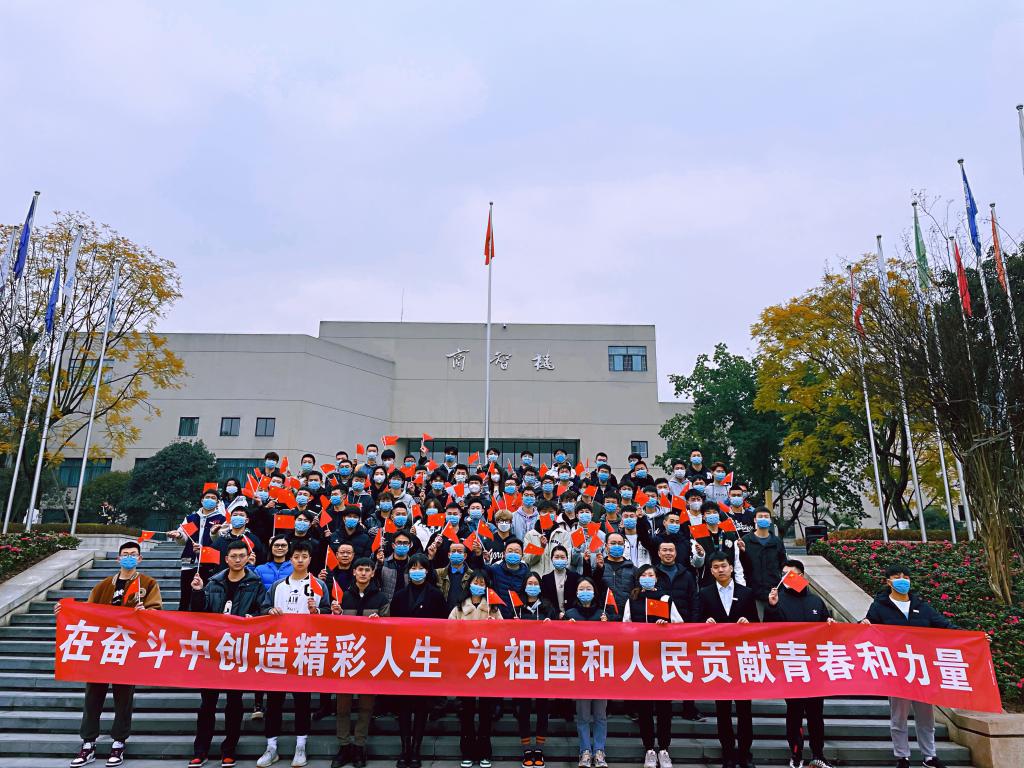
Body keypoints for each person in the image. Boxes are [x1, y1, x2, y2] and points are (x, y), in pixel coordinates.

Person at [63, 541, 162, 768]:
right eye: (125, 554)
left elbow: (157, 611)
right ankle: (88, 743)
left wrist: (146, 612)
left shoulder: (148, 584)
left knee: (124, 698)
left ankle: (119, 742)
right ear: (118, 558)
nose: (129, 557)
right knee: (93, 696)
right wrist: (66, 610)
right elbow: (87, 611)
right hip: (101, 648)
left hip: (128, 647)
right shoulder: (103, 585)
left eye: (133, 554)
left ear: (140, 559)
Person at [861, 563, 957, 768]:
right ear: (888, 581)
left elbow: (946, 627)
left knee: (926, 716)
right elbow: (867, 628)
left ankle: (929, 756)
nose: (902, 580)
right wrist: (864, 624)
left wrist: (975, 638)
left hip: (921, 669)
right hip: (897, 669)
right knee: (899, 716)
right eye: (897, 576)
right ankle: (902, 756)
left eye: (906, 576)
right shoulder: (879, 606)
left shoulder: (922, 606)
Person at [188, 539, 267, 768]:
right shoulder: (213, 582)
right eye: (233, 556)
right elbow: (199, 612)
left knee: (234, 703)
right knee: (207, 704)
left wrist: (254, 618)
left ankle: (229, 749)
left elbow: (262, 610)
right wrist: (197, 592)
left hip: (239, 650)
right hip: (214, 650)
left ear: (248, 558)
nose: (238, 560)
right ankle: (200, 750)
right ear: (226, 559)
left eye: (242, 556)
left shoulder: (256, 584)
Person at [257, 539, 331, 768]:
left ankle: (301, 745)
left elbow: (328, 613)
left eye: (304, 557)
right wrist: (270, 610)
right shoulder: (278, 585)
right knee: (274, 702)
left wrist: (317, 611)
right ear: (290, 559)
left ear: (310, 560)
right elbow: (263, 608)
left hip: (305, 649)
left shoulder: (319, 585)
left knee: (302, 701)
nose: (300, 560)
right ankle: (271, 747)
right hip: (278, 648)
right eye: (296, 556)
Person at [764, 559, 836, 768]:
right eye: (783, 574)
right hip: (791, 664)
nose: (785, 578)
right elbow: (769, 631)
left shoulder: (816, 601)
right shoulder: (778, 599)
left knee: (815, 713)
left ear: (801, 576)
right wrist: (772, 607)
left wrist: (830, 624)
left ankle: (818, 754)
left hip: (814, 666)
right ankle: (796, 754)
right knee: (794, 712)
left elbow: (826, 626)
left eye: (790, 574)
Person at [699, 551, 759, 768]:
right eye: (716, 567)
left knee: (744, 711)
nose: (720, 570)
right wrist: (704, 623)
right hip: (718, 659)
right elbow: (696, 622)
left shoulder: (747, 593)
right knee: (722, 711)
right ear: (711, 571)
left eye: (723, 565)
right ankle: (728, 753)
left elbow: (757, 624)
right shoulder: (704, 593)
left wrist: (748, 624)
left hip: (741, 658)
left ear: (731, 567)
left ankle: (744, 753)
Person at [332, 557, 391, 768]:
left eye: (367, 570)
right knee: (343, 706)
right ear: (354, 572)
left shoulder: (382, 599)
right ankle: (343, 746)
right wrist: (335, 615)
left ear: (373, 573)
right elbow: (334, 629)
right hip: (346, 657)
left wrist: (380, 623)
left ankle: (359, 746)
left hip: (369, 659)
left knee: (366, 706)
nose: (363, 573)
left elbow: (390, 628)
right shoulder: (343, 596)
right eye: (360, 570)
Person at [390, 554, 447, 768]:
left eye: (420, 567)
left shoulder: (436, 595)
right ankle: (404, 748)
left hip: (426, 656)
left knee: (422, 706)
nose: (417, 571)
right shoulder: (399, 596)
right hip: (404, 656)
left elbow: (443, 626)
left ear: (427, 571)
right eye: (413, 567)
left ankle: (416, 749)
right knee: (404, 706)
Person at [623, 565, 682, 768]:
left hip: (662, 658)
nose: (647, 578)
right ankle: (649, 748)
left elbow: (680, 625)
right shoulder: (633, 599)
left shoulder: (666, 598)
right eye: (644, 575)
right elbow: (625, 626)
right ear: (638, 579)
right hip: (641, 659)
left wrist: (666, 627)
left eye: (651, 575)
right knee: (645, 707)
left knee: (664, 707)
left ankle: (664, 749)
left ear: (656, 579)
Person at [449, 570, 502, 768]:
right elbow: (448, 631)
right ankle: (467, 750)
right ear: (469, 584)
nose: (478, 586)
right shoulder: (459, 607)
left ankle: (485, 750)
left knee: (486, 711)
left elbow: (504, 634)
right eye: (475, 582)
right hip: (466, 664)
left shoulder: (493, 608)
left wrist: (495, 626)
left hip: (486, 664)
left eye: (482, 583)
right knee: (467, 710)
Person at [564, 578, 609, 768]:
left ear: (594, 591)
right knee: (583, 715)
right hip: (580, 671)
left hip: (600, 670)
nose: (585, 591)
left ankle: (599, 751)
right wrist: (566, 627)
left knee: (600, 715)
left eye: (588, 588)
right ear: (576, 592)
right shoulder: (570, 614)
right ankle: (584, 751)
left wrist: (608, 625)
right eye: (581, 588)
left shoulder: (602, 614)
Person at [515, 572, 556, 767]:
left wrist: (552, 626)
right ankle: (526, 749)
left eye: (535, 583)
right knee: (523, 709)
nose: (532, 586)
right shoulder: (516, 607)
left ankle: (538, 749)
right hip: (522, 663)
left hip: (542, 664)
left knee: (542, 708)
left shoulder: (548, 606)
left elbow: (559, 635)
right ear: (524, 586)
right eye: (529, 583)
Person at [167, 488, 226, 611]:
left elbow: (220, 540)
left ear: (218, 502)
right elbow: (183, 539)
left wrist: (214, 533)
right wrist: (178, 535)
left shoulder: (221, 519)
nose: (210, 500)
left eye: (213, 498)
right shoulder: (191, 518)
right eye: (207, 497)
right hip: (189, 563)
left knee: (205, 597)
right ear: (202, 500)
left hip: (209, 564)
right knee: (185, 597)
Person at [739, 507, 787, 618]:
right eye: (760, 517)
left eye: (766, 517)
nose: (763, 519)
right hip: (753, 591)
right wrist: (743, 552)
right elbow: (742, 566)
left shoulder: (777, 541)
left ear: (770, 520)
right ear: (755, 520)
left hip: (774, 591)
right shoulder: (745, 540)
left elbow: (783, 564)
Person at [540, 544, 580, 617]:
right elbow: (545, 601)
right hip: (554, 616)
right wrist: (557, 613)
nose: (559, 560)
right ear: (552, 559)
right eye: (556, 557)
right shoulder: (546, 579)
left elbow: (577, 598)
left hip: (572, 616)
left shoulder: (574, 577)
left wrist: (570, 613)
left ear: (567, 559)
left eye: (562, 557)